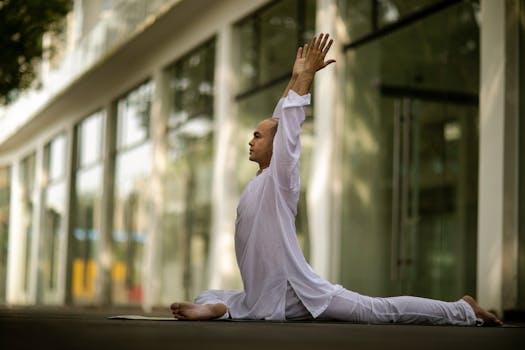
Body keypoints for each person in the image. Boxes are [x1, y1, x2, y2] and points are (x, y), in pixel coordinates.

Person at [170, 33, 502, 326]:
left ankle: (462, 309)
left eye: (257, 136)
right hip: (262, 295)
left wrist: (307, 80)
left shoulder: (280, 179)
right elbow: (279, 117)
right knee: (207, 293)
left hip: (299, 290)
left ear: (275, 144)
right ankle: (219, 307)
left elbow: (288, 125)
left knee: (378, 311)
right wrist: (294, 77)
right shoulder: (260, 178)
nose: (250, 140)